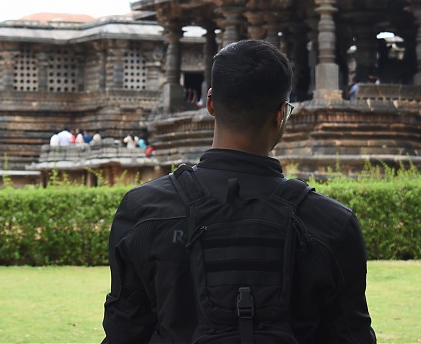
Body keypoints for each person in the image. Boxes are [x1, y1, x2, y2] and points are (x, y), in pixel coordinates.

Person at [103, 39, 375, 343]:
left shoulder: (144, 211)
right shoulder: (331, 224)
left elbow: (124, 332)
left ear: (210, 103)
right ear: (281, 113)